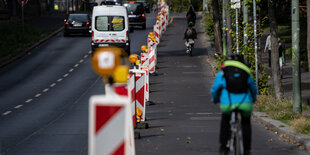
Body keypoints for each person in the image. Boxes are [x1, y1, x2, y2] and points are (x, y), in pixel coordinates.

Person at [211, 54, 257, 155]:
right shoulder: (245, 71)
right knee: (246, 123)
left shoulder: (223, 72)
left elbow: (215, 89)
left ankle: (223, 146)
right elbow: (253, 88)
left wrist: (215, 99)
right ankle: (246, 149)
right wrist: (253, 99)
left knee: (225, 121)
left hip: (227, 104)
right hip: (245, 103)